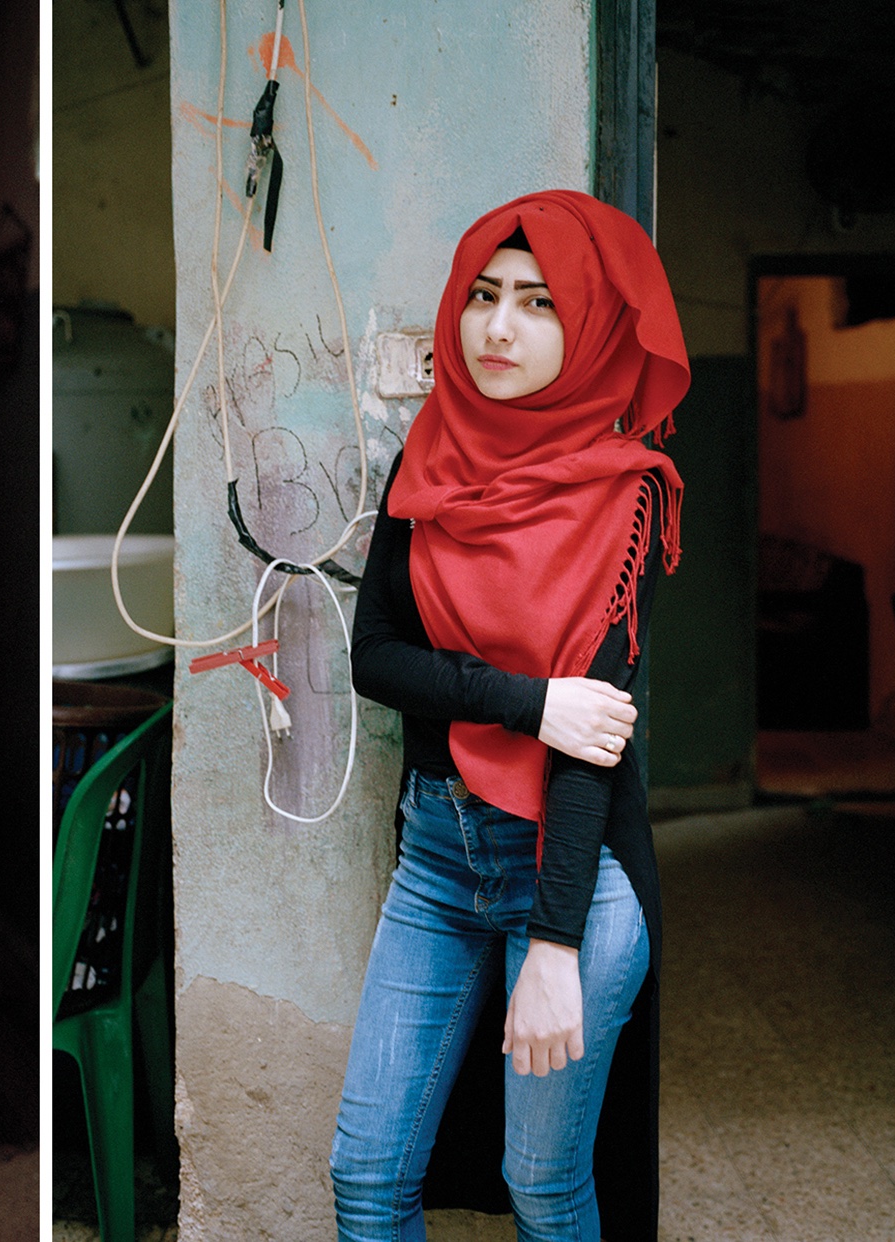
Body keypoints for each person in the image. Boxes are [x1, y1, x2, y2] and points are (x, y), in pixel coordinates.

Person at [329, 189, 689, 1242]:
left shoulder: (627, 496)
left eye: (538, 304)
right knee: (365, 1176)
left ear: (590, 329)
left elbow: (592, 746)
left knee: (542, 1185)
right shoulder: (429, 456)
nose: (497, 326)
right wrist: (530, 702)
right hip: (437, 860)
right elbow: (374, 658)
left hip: (571, 872)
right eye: (483, 294)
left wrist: (555, 946)